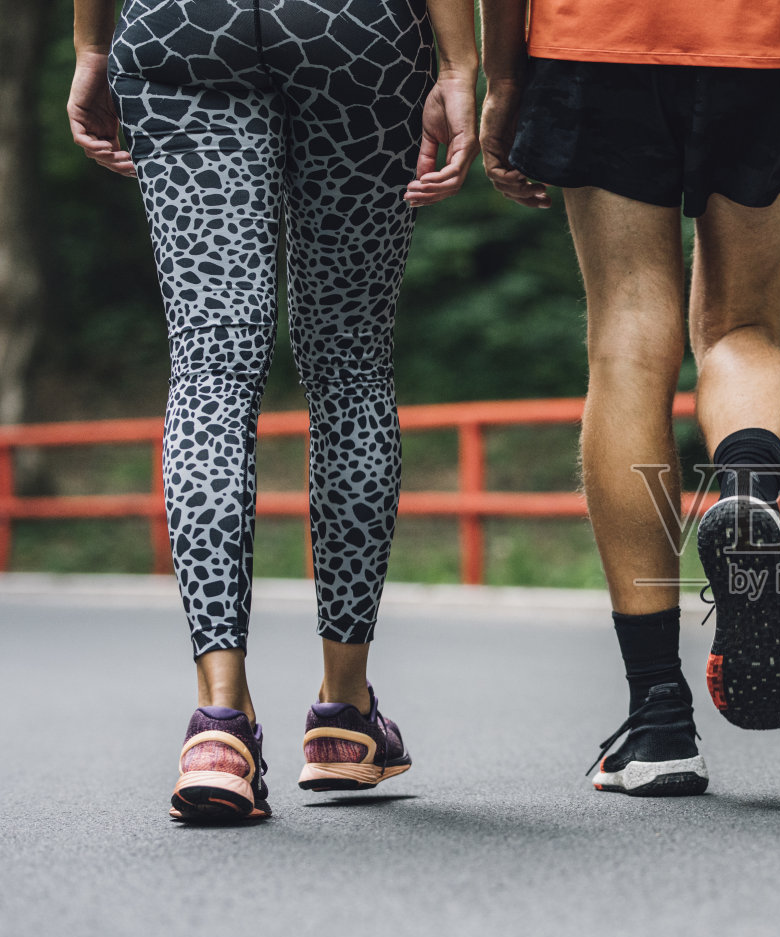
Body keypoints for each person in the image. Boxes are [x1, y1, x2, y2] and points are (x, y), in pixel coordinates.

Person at [479, 0, 780, 795]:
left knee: (628, 340)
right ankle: (746, 494)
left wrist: (502, 75)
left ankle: (658, 718)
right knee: (744, 330)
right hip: (774, 40)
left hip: (597, 36)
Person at [68, 0, 479, 819]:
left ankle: (218, 725)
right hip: (352, 29)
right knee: (352, 364)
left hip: (182, 24)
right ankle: (344, 717)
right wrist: (463, 65)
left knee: (211, 369)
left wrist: (89, 44)